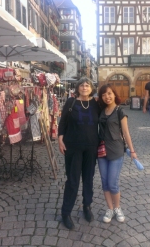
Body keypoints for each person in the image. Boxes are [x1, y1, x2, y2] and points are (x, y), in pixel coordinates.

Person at [58, 77, 100, 230]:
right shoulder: (71, 102)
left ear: (91, 88)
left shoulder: (96, 104)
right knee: (73, 180)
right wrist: (60, 139)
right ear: (77, 88)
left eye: (87, 85)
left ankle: (87, 206)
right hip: (73, 147)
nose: (84, 87)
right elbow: (63, 122)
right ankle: (66, 212)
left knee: (88, 178)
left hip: (91, 147)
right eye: (81, 85)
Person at [97, 84, 138, 223]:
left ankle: (117, 208)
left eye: (109, 93)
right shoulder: (101, 110)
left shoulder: (120, 111)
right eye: (103, 94)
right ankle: (109, 208)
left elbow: (126, 132)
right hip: (102, 150)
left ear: (114, 94)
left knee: (112, 183)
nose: (107, 97)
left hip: (116, 150)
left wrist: (132, 150)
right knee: (104, 182)